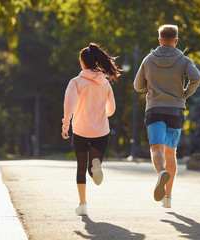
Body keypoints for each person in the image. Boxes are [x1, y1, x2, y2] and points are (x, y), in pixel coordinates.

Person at [134, 24, 200, 208]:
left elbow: (137, 85)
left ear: (159, 40)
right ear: (176, 41)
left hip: (155, 109)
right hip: (175, 110)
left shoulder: (148, 60)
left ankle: (161, 172)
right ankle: (168, 198)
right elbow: (197, 78)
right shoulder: (184, 60)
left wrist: (151, 87)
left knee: (156, 149)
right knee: (170, 153)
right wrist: (185, 94)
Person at [62, 43, 120, 216]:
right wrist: (103, 113)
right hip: (101, 131)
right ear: (96, 61)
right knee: (92, 167)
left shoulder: (76, 82)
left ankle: (83, 205)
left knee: (80, 167)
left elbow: (69, 106)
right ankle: (96, 168)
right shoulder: (105, 83)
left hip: (80, 130)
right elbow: (112, 109)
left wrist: (66, 125)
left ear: (82, 61)